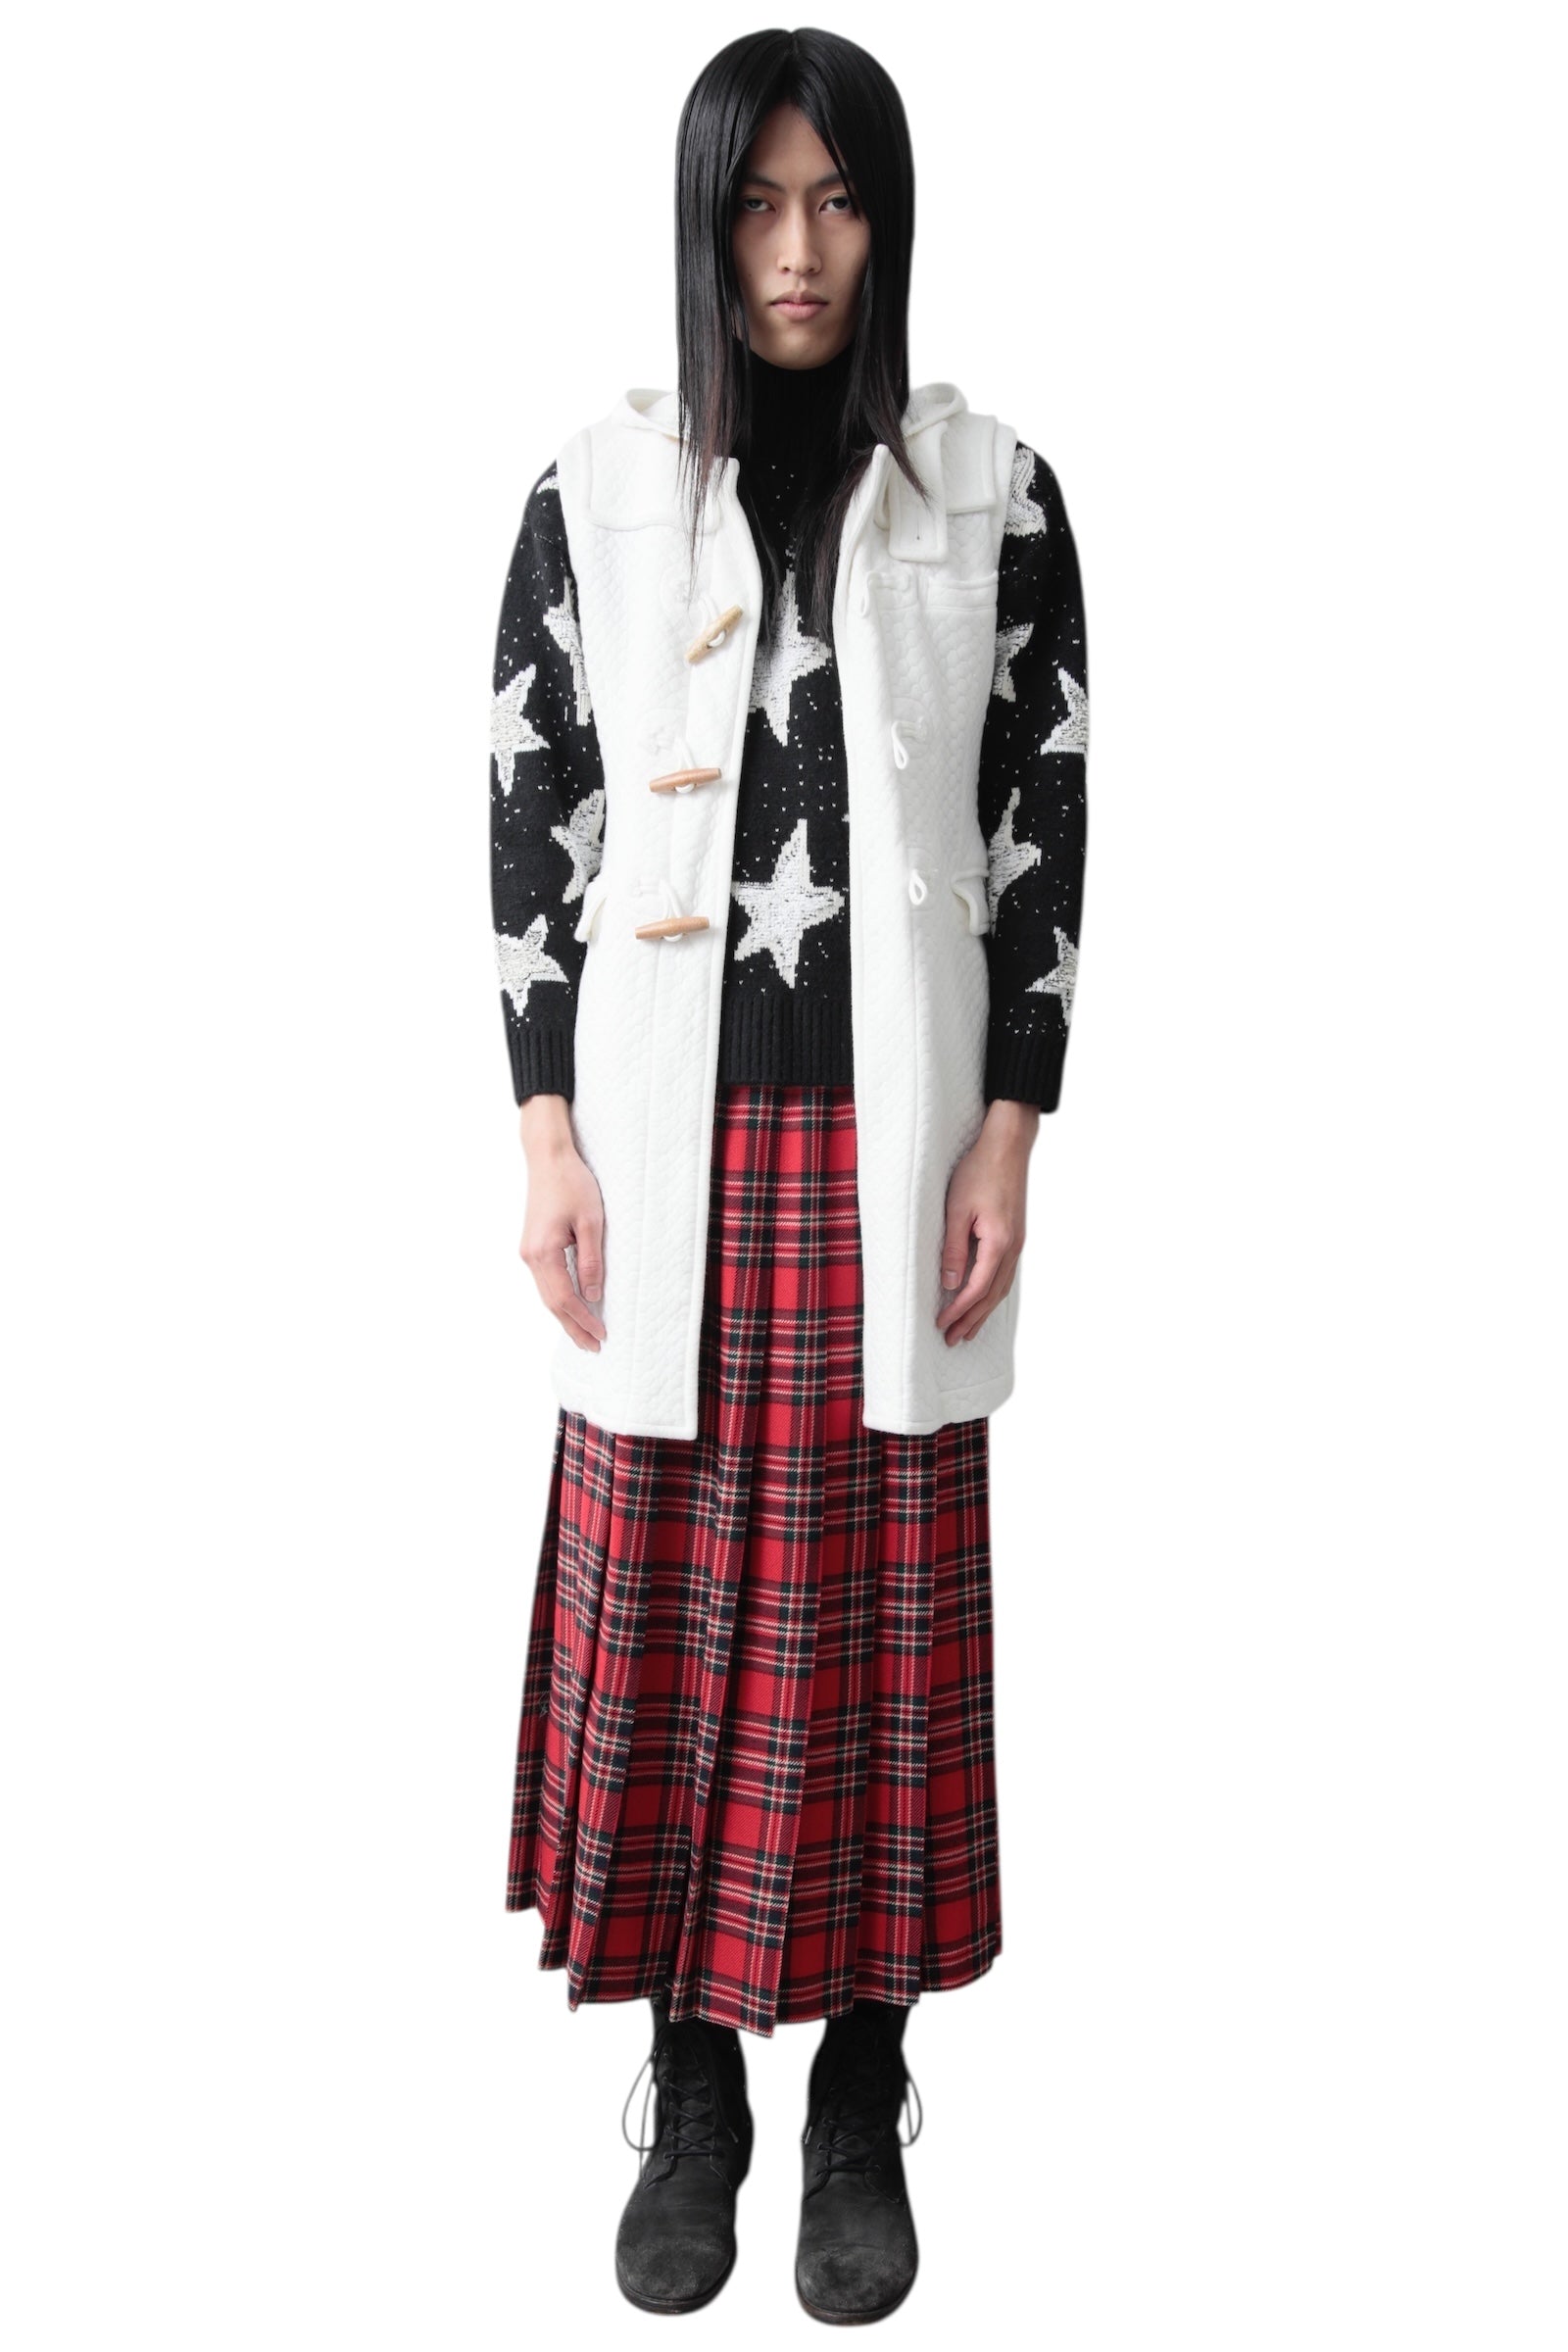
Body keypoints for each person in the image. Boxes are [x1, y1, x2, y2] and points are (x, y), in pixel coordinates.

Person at [488, 27, 1088, 2325]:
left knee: (872, 1633)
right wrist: (543, 1128)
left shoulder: (993, 492)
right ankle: (688, 2080)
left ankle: (854, 2088)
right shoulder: (594, 488)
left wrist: (1011, 1122)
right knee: (669, 1616)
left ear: (886, 220)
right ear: (702, 222)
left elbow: (1040, 822)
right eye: (756, 203)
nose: (798, 248)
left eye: (836, 201)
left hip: (895, 1145)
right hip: (666, 1143)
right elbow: (532, 812)